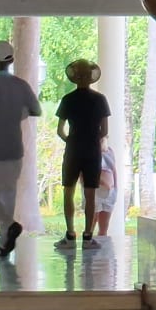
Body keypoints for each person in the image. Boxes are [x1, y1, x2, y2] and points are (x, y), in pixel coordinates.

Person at [0, 39, 42, 259]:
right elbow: (36, 110)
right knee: (8, 194)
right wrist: (17, 114)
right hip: (15, 148)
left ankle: (8, 228)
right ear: (11, 60)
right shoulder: (21, 86)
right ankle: (4, 242)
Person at [55, 59, 111, 245]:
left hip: (73, 150)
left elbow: (60, 130)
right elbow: (104, 130)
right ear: (90, 77)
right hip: (92, 150)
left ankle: (70, 233)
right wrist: (92, 139)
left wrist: (71, 141)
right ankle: (88, 235)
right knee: (90, 193)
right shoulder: (100, 99)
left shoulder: (68, 99)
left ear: (75, 77)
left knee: (68, 191)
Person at [94, 140, 118, 238]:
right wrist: (101, 182)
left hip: (109, 193)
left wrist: (115, 188)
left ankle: (102, 245)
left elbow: (114, 170)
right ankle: (88, 244)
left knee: (104, 228)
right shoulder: (89, 151)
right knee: (91, 224)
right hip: (94, 192)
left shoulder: (109, 151)